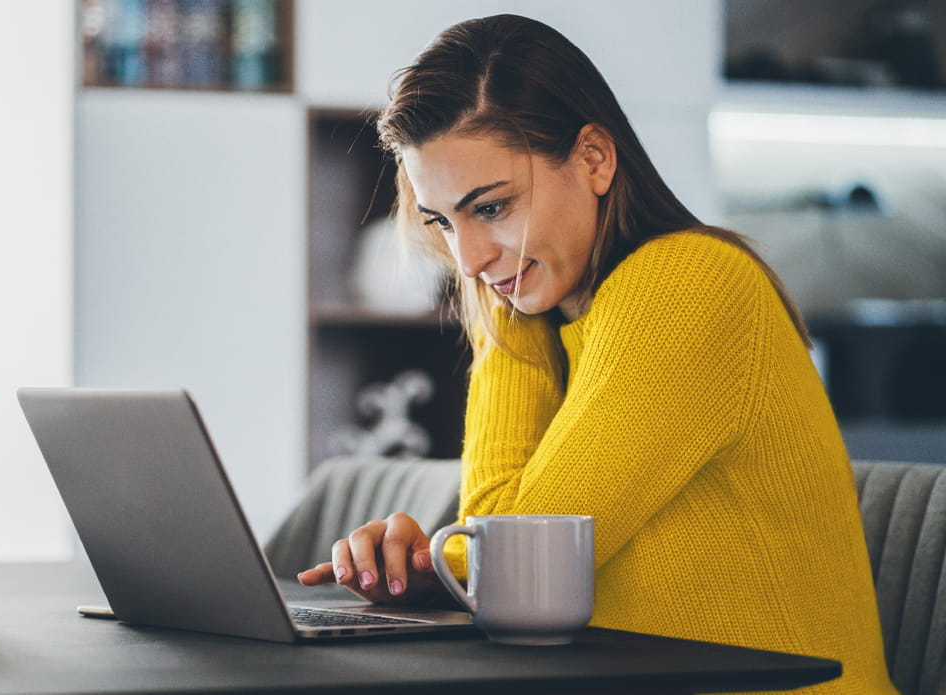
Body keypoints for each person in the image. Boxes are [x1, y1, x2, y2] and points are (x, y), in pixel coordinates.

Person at [293, 14, 896, 695]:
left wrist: (441, 565)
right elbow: (502, 545)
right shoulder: (552, 315)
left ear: (594, 159)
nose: (466, 258)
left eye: (491, 208)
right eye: (442, 221)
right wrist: (511, 312)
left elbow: (518, 576)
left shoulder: (688, 282)